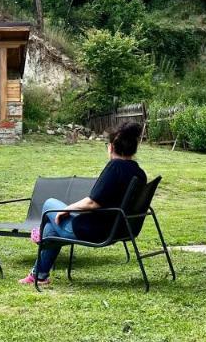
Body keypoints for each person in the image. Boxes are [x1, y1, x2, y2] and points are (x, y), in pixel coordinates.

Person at [20, 122, 147, 287]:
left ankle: (41, 237)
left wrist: (67, 209)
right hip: (119, 229)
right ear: (133, 148)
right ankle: (39, 274)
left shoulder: (115, 167)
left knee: (50, 203)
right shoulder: (139, 173)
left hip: (94, 231)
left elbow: (93, 202)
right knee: (51, 229)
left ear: (111, 147)